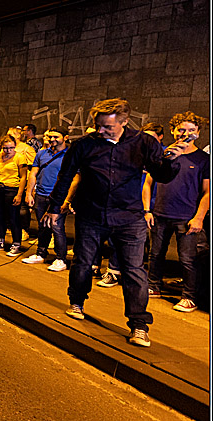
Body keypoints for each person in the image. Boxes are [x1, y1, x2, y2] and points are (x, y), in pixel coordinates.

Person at [44, 98, 182, 348]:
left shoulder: (143, 143)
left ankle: (139, 325)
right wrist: (55, 208)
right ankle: (77, 301)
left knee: (134, 272)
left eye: (107, 127)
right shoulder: (84, 145)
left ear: (124, 122)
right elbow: (65, 176)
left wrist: (170, 161)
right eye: (98, 126)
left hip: (129, 217)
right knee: (84, 262)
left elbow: (161, 175)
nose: (100, 131)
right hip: (92, 214)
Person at [144, 112, 209, 312]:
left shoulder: (203, 159)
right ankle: (153, 286)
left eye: (191, 130)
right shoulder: (163, 154)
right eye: (181, 129)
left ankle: (189, 297)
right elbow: (148, 183)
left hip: (186, 217)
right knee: (155, 254)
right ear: (173, 131)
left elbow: (208, 192)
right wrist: (147, 210)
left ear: (198, 133)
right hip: (160, 214)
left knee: (188, 259)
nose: (185, 134)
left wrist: (198, 218)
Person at [22, 127, 73, 271]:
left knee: (57, 228)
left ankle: (60, 259)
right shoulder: (42, 153)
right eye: (50, 137)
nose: (52, 139)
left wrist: (68, 200)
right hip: (41, 195)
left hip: (58, 198)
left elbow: (76, 178)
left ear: (66, 137)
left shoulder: (70, 155)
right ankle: (40, 253)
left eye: (56, 137)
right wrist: (29, 193)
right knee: (42, 226)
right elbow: (33, 174)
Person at [0, 136, 31, 255]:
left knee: (13, 218)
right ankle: (0, 241)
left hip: (12, 189)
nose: (8, 150)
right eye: (5, 148)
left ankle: (16, 244)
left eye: (11, 148)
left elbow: (23, 177)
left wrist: (19, 194)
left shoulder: (19, 158)